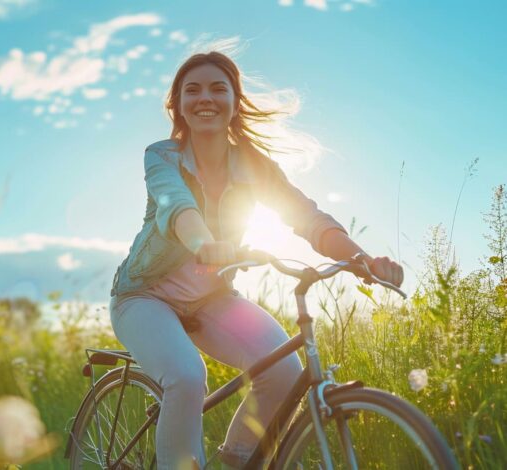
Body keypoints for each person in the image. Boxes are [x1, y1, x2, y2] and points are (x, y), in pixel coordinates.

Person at [108, 50, 403, 469]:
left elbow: (307, 216)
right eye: (192, 90)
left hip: (211, 297)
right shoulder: (161, 156)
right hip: (143, 296)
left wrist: (362, 258)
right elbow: (175, 205)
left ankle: (236, 463)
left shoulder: (253, 164)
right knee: (187, 378)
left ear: (234, 100)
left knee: (284, 374)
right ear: (177, 106)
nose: (204, 98)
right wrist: (204, 242)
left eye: (217, 88)